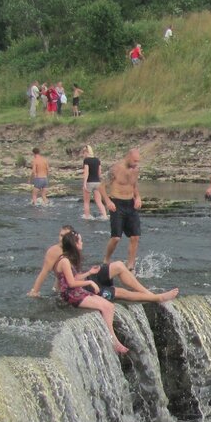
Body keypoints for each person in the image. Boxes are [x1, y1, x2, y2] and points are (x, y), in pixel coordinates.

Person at [30, 225, 178, 303]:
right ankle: (158, 298)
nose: (62, 238)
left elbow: (70, 274)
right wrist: (35, 291)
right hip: (80, 285)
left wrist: (88, 273)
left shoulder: (73, 250)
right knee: (119, 292)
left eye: (66, 235)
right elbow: (46, 272)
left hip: (85, 278)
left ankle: (147, 293)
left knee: (119, 265)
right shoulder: (54, 252)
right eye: (61, 235)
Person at [54, 230, 129, 353]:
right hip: (71, 295)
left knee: (109, 306)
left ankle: (113, 339)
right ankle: (113, 341)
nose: (82, 243)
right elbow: (71, 283)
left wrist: (89, 273)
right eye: (80, 241)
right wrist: (90, 282)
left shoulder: (69, 259)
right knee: (105, 308)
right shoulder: (65, 261)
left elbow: (75, 277)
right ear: (75, 244)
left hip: (76, 291)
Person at [103, 148, 144, 270]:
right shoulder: (116, 168)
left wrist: (138, 197)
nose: (136, 163)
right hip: (117, 203)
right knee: (116, 237)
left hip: (130, 203)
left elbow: (134, 185)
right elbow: (101, 186)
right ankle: (106, 259)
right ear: (128, 156)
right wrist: (108, 201)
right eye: (134, 160)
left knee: (135, 237)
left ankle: (130, 265)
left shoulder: (135, 170)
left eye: (138, 161)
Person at [81, 145, 107, 219]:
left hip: (89, 182)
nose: (83, 155)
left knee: (86, 202)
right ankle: (105, 216)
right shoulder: (97, 160)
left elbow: (86, 172)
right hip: (97, 182)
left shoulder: (86, 160)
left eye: (83, 153)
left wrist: (84, 183)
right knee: (99, 201)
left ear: (86, 152)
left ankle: (87, 216)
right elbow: (99, 172)